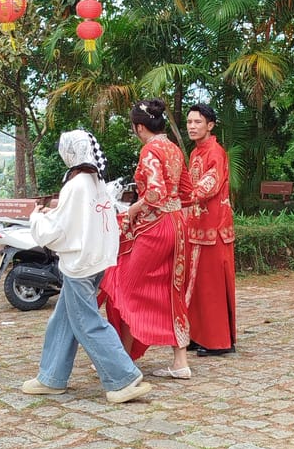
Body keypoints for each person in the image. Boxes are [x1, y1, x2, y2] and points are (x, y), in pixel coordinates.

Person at [21, 129, 152, 404]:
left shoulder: (75, 184)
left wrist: (36, 218)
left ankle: (122, 379)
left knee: (87, 321)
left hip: (80, 263)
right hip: (96, 258)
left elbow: (59, 230)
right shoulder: (96, 181)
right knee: (64, 319)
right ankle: (51, 376)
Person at [100, 98, 193, 380]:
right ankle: (180, 361)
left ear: (140, 127)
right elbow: (187, 191)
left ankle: (123, 360)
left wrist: (133, 209)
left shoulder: (150, 151)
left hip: (156, 228)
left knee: (124, 286)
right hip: (178, 226)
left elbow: (154, 194)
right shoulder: (174, 150)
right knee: (173, 291)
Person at [185, 104, 236, 356]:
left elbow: (209, 186)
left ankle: (219, 342)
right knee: (196, 285)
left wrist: (182, 197)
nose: (192, 126)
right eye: (189, 122)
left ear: (210, 125)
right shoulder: (195, 153)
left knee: (213, 286)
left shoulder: (215, 152)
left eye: (197, 122)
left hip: (214, 228)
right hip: (197, 226)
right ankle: (198, 334)